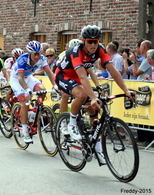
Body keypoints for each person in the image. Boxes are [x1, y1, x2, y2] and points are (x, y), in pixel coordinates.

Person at [55, 25, 133, 164]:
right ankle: (71, 124)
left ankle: (97, 148)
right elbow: (84, 78)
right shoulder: (76, 51)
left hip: (79, 77)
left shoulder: (101, 49)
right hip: (63, 75)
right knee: (82, 96)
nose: (92, 44)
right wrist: (92, 97)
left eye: (95, 41)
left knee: (95, 109)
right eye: (89, 41)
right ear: (83, 41)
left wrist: (126, 90)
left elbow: (114, 71)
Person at [10, 40, 58, 143]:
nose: (36, 56)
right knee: (24, 100)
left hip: (29, 77)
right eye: (34, 54)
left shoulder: (42, 59)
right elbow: (21, 78)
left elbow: (49, 73)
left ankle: (35, 111)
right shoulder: (22, 59)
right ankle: (25, 131)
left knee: (42, 90)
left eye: (39, 53)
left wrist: (55, 85)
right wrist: (27, 89)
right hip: (17, 79)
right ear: (29, 53)